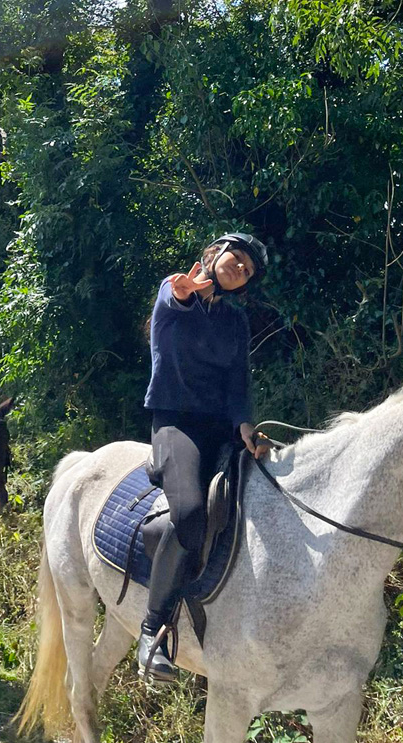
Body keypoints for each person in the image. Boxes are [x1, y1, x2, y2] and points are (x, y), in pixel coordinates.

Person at [137, 233, 271, 682]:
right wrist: (183, 291)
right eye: (238, 259)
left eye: (248, 271)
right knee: (193, 513)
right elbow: (175, 297)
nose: (241, 269)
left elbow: (238, 382)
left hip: (222, 429)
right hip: (176, 423)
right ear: (215, 255)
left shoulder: (235, 322)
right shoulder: (175, 290)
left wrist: (246, 426)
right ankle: (150, 631)